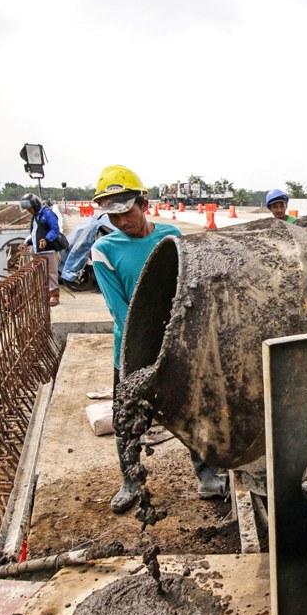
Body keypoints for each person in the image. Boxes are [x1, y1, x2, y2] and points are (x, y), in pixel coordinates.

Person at [90, 165, 227, 513]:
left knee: (194, 412)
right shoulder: (104, 249)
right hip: (132, 351)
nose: (121, 222)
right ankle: (130, 483)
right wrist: (146, 348)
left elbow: (189, 288)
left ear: (143, 203)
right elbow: (120, 311)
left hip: (178, 345)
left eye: (126, 212)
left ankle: (208, 477)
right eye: (113, 216)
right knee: (128, 420)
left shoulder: (170, 237)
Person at [19, 193, 64, 306]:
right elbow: (34, 234)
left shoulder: (47, 214)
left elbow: (55, 229)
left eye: (30, 209)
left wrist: (46, 239)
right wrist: (27, 243)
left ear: (35, 205)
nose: (29, 211)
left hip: (48, 249)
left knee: (51, 273)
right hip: (38, 250)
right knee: (39, 274)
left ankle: (54, 296)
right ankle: (44, 294)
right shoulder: (36, 217)